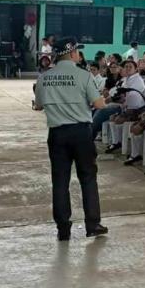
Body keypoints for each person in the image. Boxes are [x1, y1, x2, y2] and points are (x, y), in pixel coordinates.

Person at [34, 37, 108, 241]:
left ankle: (63, 229)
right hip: (81, 133)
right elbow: (99, 104)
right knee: (88, 178)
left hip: (57, 134)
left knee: (60, 181)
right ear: (73, 53)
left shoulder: (44, 78)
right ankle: (92, 224)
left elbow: (38, 105)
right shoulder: (83, 76)